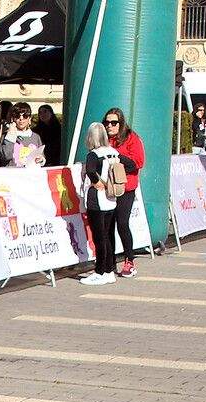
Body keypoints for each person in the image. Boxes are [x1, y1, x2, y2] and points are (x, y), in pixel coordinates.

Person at [104, 107, 144, 278]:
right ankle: (109, 262)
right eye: (107, 122)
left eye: (114, 123)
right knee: (107, 226)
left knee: (122, 223)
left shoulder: (131, 138)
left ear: (121, 123)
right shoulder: (104, 139)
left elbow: (139, 162)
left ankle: (129, 260)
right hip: (107, 187)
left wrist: (117, 157)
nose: (110, 126)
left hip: (125, 187)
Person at [81, 121, 122, 285]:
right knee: (108, 234)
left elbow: (91, 170)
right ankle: (110, 269)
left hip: (97, 198)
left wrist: (97, 181)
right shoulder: (114, 152)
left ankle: (100, 271)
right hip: (111, 198)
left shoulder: (93, 154)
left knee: (99, 237)